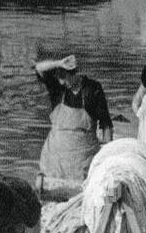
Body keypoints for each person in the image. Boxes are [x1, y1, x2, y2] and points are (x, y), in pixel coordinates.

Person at [33, 54, 113, 183]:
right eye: (59, 78)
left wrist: (108, 156)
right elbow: (39, 68)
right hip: (55, 158)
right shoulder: (58, 88)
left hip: (83, 158)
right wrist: (58, 63)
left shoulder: (92, 89)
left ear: (75, 73)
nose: (62, 82)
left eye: (64, 77)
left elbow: (106, 124)